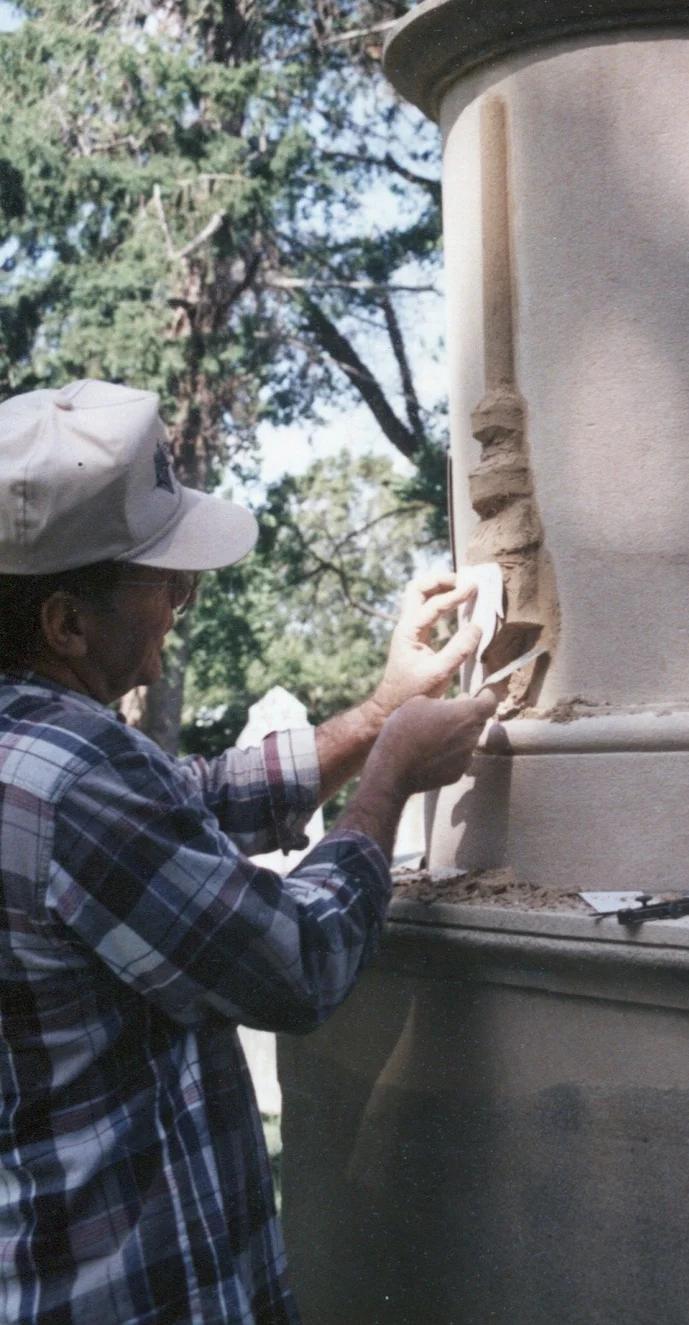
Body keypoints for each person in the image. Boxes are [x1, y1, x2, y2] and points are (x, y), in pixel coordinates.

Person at [0, 379, 496, 1325]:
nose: (185, 595)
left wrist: (382, 711)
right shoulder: (74, 776)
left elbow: (190, 803)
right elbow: (295, 960)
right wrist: (388, 778)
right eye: (161, 577)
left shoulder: (38, 752)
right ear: (65, 621)